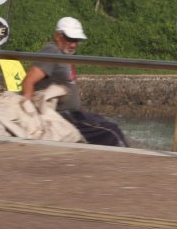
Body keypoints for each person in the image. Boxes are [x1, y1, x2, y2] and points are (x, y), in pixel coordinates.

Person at [21, 16, 128, 147]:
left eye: (76, 40)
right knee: (111, 131)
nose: (73, 44)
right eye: (69, 39)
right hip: (64, 115)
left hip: (74, 113)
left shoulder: (64, 55)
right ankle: (132, 162)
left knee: (107, 124)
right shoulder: (52, 51)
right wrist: (30, 115)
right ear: (57, 36)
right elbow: (28, 81)